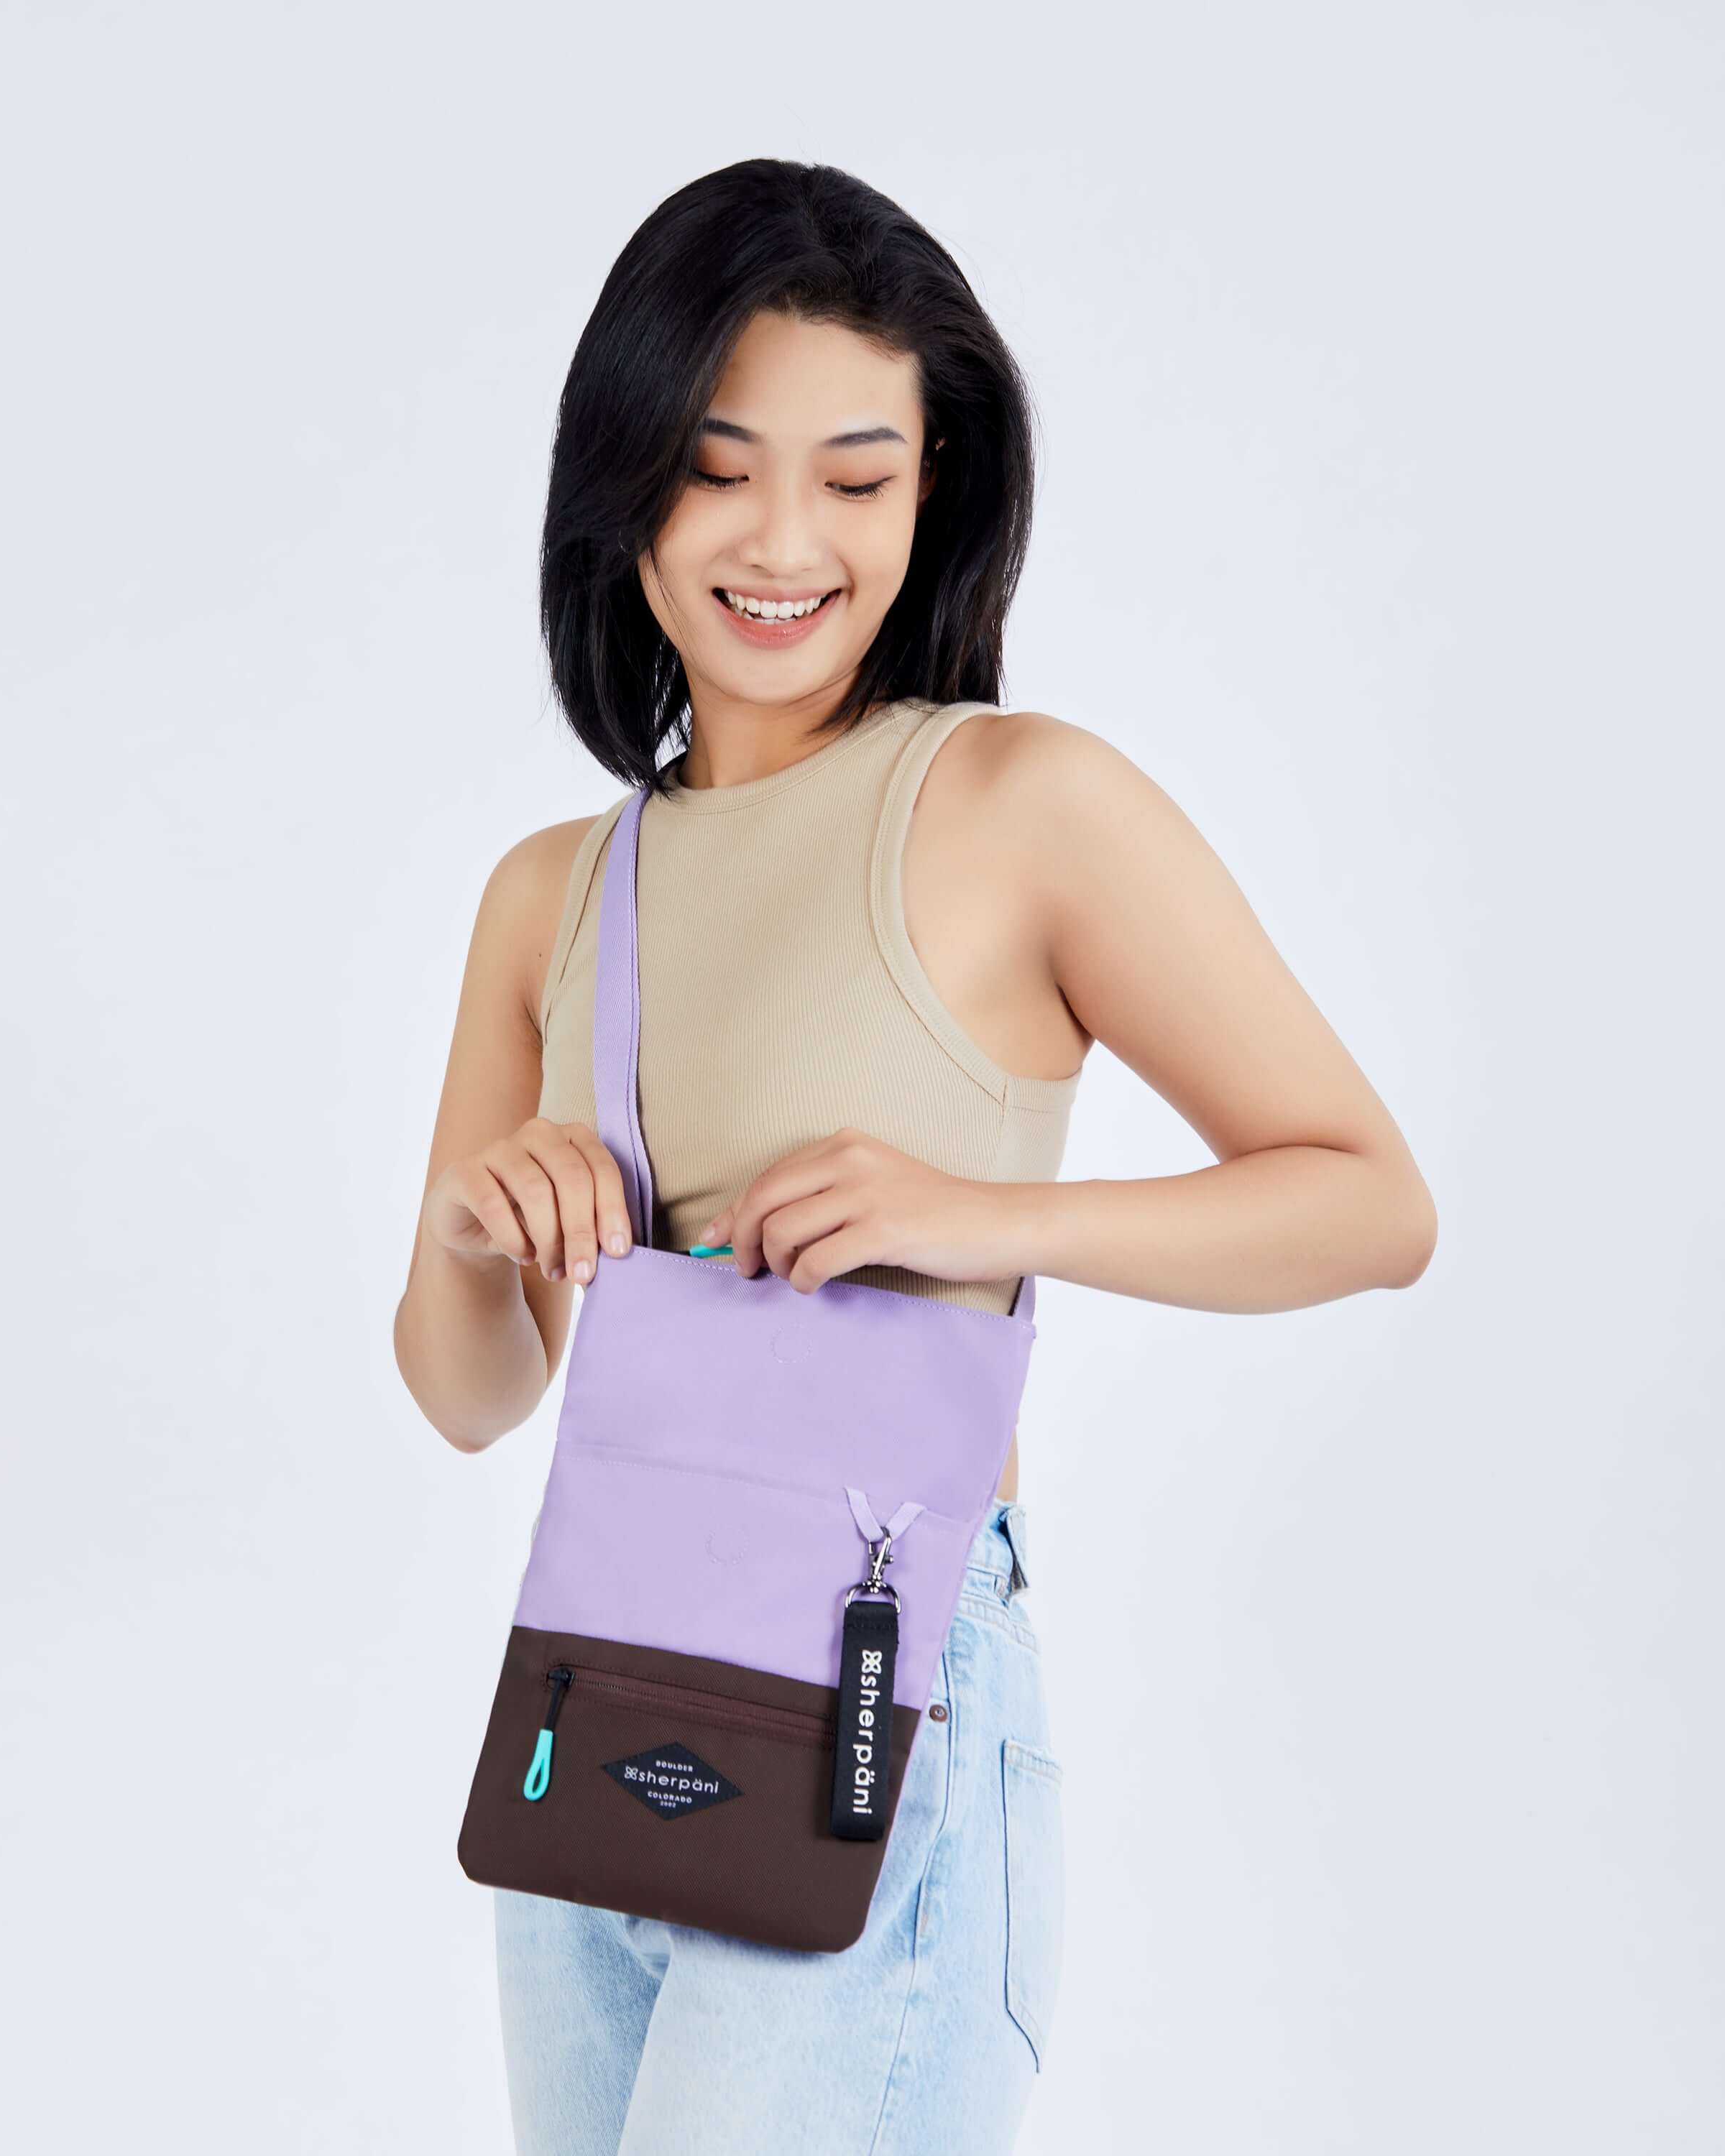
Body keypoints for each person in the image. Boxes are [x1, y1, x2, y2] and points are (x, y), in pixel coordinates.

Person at [394, 157, 1437, 2155]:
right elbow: (469, 1398)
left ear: (932, 491)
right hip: (601, 1686)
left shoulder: (1022, 805)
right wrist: (468, 1230)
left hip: (885, 1696)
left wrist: (982, 1217)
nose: (786, 541)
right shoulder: (551, 890)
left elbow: (1370, 1199)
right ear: (623, 484)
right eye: (718, 469)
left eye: (855, 479)